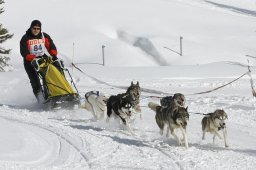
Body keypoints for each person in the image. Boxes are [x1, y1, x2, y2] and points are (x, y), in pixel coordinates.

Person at [20, 20, 58, 102]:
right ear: (31, 28)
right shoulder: (25, 37)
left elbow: (51, 46)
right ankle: (41, 100)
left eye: (38, 28)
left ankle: (50, 96)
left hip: (41, 59)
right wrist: (32, 58)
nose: (36, 30)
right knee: (35, 82)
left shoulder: (44, 36)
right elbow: (24, 52)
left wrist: (54, 54)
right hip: (29, 62)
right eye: (34, 28)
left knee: (48, 77)